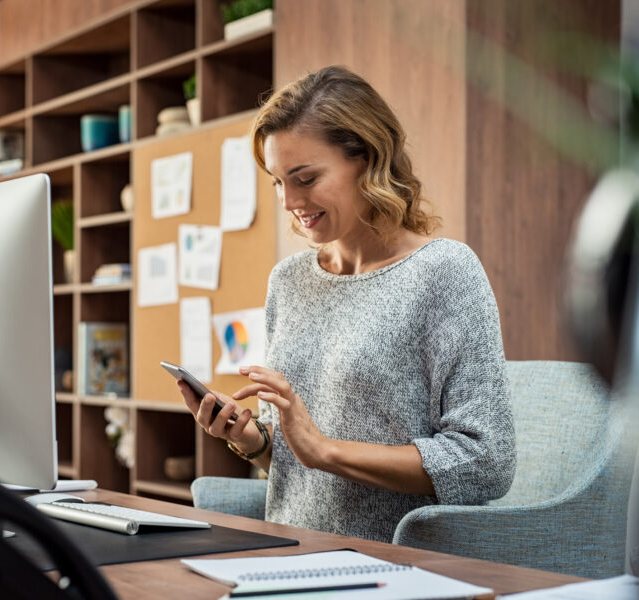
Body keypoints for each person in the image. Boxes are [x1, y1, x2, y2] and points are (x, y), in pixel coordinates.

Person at [177, 65, 516, 542]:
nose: (289, 200)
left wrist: (325, 451)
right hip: (291, 554)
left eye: (306, 177)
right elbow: (298, 456)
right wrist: (253, 441)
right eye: (277, 182)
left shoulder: (445, 273)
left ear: (368, 159)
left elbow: (486, 462)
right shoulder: (288, 281)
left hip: (397, 564)